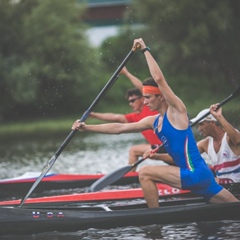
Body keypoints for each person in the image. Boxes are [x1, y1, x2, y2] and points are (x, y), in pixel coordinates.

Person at [72, 38, 239, 208]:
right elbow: (120, 128)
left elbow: (159, 79)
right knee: (234, 207)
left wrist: (145, 49)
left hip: (195, 174)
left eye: (148, 97)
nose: (145, 102)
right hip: (202, 177)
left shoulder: (177, 112)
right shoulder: (153, 121)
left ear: (160, 96)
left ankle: (154, 219)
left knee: (145, 173)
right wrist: (87, 127)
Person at [89, 67, 165, 169]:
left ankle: (130, 176)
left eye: (133, 100)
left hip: (167, 149)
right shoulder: (135, 117)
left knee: (133, 150)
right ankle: (131, 177)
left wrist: (126, 73)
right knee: (135, 151)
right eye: (129, 101)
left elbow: (142, 88)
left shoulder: (152, 107)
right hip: (158, 150)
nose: (130, 104)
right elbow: (116, 118)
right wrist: (93, 115)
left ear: (142, 98)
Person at [143, 106, 240, 184]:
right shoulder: (205, 143)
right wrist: (157, 157)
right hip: (223, 185)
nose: (199, 129)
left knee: (202, 178)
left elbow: (237, 140)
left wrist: (219, 116)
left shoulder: (229, 137)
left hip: (236, 184)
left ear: (211, 122)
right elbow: (182, 158)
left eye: (201, 124)